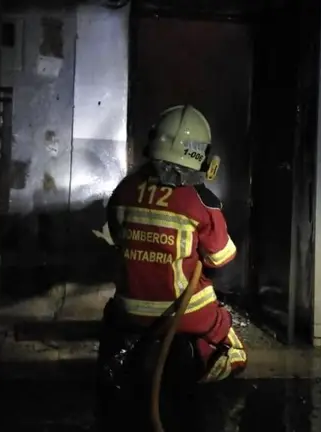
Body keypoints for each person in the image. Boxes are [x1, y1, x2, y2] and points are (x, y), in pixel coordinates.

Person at [99, 105, 247, 391]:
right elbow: (221, 260)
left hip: (127, 311)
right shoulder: (202, 202)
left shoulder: (125, 189)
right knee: (230, 343)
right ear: (200, 154)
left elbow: (119, 238)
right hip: (187, 314)